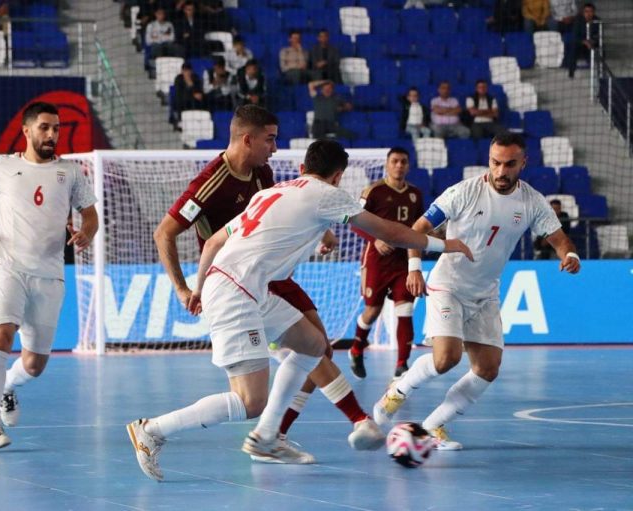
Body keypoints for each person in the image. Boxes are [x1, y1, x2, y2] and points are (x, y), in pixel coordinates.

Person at [130, 139, 472, 481]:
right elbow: (391, 232)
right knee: (250, 401)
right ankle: (153, 429)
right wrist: (445, 244)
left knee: (313, 344)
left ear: (302, 168)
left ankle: (267, 436)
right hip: (237, 293)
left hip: (245, 288)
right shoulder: (326, 193)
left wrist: (202, 286)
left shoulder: (270, 192)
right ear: (337, 177)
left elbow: (216, 240)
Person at [149, 105, 388, 466]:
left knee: (315, 345)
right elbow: (164, 232)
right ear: (248, 139)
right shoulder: (210, 182)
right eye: (270, 139)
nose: (275, 148)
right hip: (234, 281)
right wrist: (184, 289)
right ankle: (301, 429)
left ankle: (272, 434)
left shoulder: (263, 172)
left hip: (270, 276)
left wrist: (321, 229)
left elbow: (289, 206)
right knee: (262, 388)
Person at [372, 131, 580, 450]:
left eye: (509, 164)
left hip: (485, 293)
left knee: (487, 368)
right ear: (489, 160)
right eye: (495, 163)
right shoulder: (463, 192)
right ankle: (398, 390)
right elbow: (418, 229)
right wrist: (414, 268)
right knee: (446, 359)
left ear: (523, 163)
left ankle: (432, 426)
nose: (501, 171)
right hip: (448, 285)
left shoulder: (533, 201)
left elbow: (559, 239)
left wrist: (570, 255)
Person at [0, 102, 98, 450]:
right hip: (8, 264)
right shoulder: (2, 166)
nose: (52, 134)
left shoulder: (72, 172)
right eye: (45, 128)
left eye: (57, 128)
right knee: (2, 332)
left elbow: (90, 215)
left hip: (49, 273)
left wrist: (86, 233)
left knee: (35, 364)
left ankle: (9, 386)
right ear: (27, 131)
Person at [348, 147, 425, 381]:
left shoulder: (415, 194)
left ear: (408, 166)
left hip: (404, 260)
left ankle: (402, 365)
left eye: (403, 161)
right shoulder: (373, 191)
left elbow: (419, 225)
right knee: (373, 310)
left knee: (405, 309)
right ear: (387, 164)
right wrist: (376, 239)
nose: (399, 165)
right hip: (377, 261)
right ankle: (357, 348)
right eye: (395, 161)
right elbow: (354, 222)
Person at [566, 2, 599, 79]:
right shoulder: (578, 20)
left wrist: (592, 42)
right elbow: (575, 36)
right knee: (573, 48)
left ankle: (599, 72)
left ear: (594, 12)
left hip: (592, 43)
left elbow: (598, 35)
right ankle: (571, 72)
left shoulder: (597, 21)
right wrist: (585, 42)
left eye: (590, 11)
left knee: (601, 50)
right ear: (583, 12)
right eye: (586, 11)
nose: (588, 14)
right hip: (580, 43)